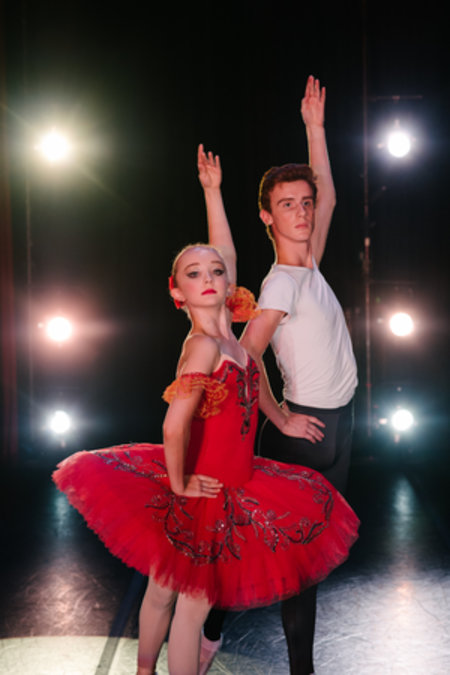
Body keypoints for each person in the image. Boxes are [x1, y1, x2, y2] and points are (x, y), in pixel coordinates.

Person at [52, 143, 359, 675]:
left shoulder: (233, 342)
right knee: (185, 601)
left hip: (232, 483)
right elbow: (174, 424)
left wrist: (213, 193)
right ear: (178, 292)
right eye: (195, 274)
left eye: (216, 272)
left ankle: (146, 669)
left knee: (166, 590)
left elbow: (226, 257)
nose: (211, 277)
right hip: (202, 489)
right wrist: (179, 482)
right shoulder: (203, 346)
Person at [201, 76, 358, 675]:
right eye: (287, 204)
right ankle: (269, 657)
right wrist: (282, 415)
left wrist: (315, 128)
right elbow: (245, 356)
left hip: (340, 427)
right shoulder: (281, 284)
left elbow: (331, 196)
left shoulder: (310, 263)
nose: (303, 211)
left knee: (295, 556)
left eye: (305, 202)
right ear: (267, 216)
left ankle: (212, 625)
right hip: (304, 435)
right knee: (294, 562)